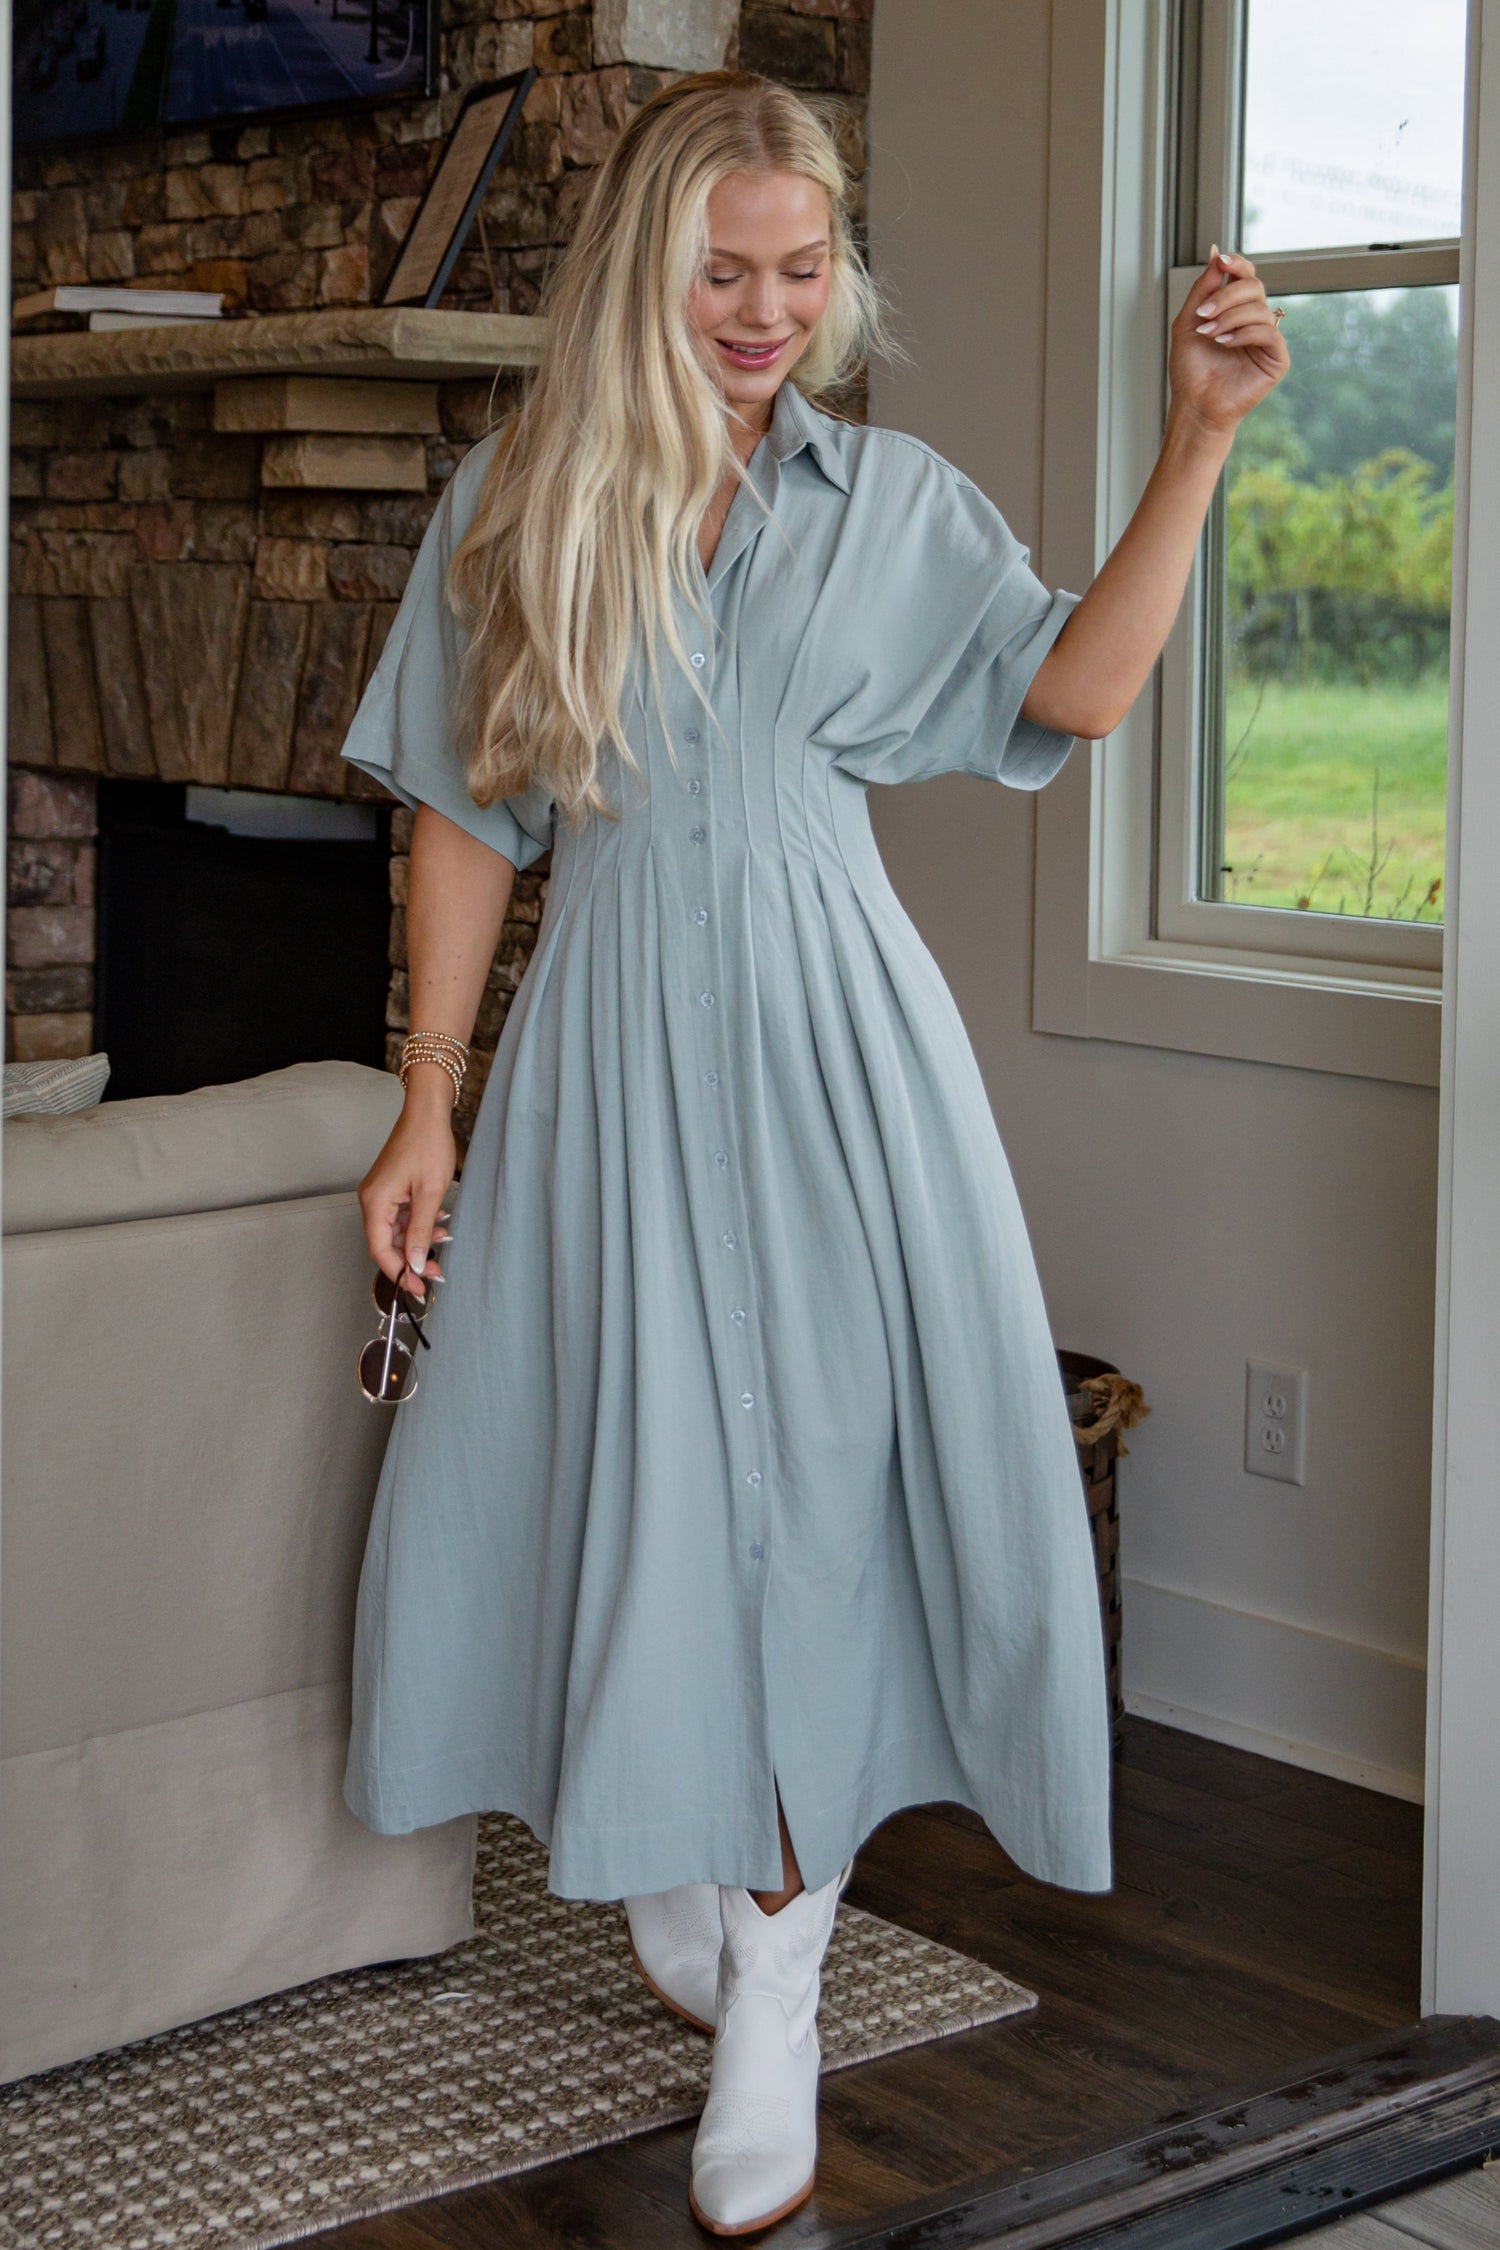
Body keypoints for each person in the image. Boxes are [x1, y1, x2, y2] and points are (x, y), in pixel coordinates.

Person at [338, 69, 1288, 2238]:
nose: (767, 312)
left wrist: (1204, 438)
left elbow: (1077, 691)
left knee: (825, 1495)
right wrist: (427, 1095)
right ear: (639, 273)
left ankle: (782, 1960)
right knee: (630, 1461)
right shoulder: (521, 502)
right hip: (604, 1068)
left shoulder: (893, 504)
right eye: (720, 272)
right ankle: (692, 1853)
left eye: (799, 269)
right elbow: (472, 820)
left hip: (845, 1069)